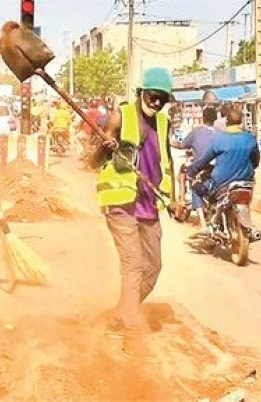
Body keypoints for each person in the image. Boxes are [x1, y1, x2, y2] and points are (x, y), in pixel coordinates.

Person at [88, 67, 176, 357]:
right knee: (134, 268)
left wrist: (175, 198)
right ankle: (128, 331)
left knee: (153, 267)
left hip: (149, 204)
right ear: (141, 93)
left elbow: (168, 161)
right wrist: (105, 147)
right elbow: (92, 162)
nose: (158, 103)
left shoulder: (164, 122)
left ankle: (122, 312)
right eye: (154, 96)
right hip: (120, 203)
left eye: (163, 99)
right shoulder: (119, 116)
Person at [187, 108, 260, 236]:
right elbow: (255, 162)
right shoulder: (250, 139)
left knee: (196, 188)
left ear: (226, 122)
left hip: (221, 184)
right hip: (246, 182)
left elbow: (203, 160)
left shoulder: (219, 140)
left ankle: (204, 225)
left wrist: (192, 170)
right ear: (241, 122)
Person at [170, 106, 217, 230]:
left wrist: (168, 142)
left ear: (203, 118)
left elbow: (182, 145)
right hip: (217, 170)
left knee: (183, 172)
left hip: (200, 169)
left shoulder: (197, 132)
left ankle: (182, 199)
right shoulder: (220, 133)